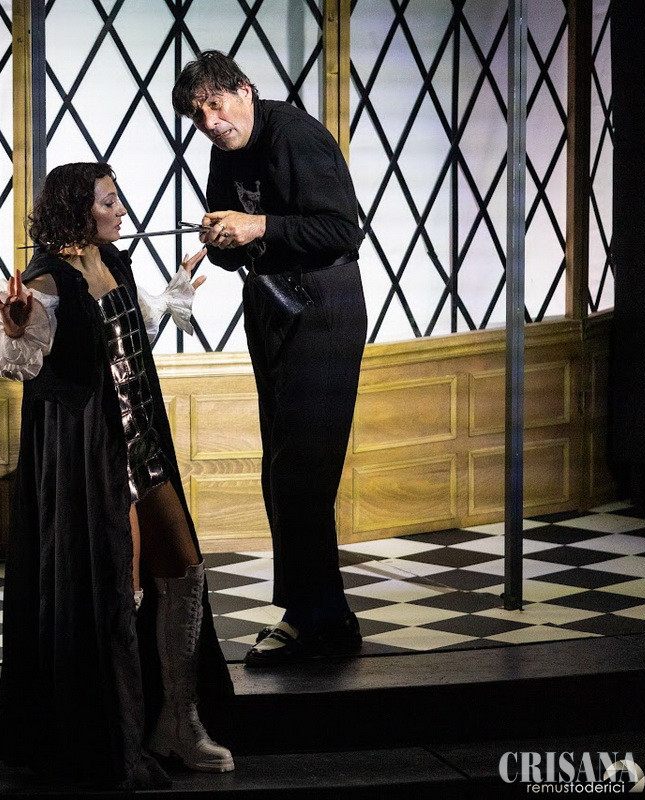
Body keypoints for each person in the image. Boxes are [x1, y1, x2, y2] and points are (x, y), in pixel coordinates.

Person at [0, 162, 234, 789]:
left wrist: (174, 294)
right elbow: (12, 360)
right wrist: (16, 330)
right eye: (109, 202)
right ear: (76, 211)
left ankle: (179, 720)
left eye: (117, 200)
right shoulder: (43, 281)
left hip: (142, 437)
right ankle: (121, 731)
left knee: (185, 567)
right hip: (91, 452)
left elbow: (127, 333)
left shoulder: (113, 261)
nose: (121, 211)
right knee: (119, 584)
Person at [172, 51, 368, 665]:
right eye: (199, 115)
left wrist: (257, 227)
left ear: (245, 90)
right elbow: (236, 242)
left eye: (216, 104)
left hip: (324, 304)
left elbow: (342, 231)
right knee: (283, 468)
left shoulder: (295, 136)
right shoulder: (225, 149)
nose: (211, 122)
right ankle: (324, 614)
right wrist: (221, 239)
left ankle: (311, 617)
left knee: (303, 470)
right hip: (272, 303)